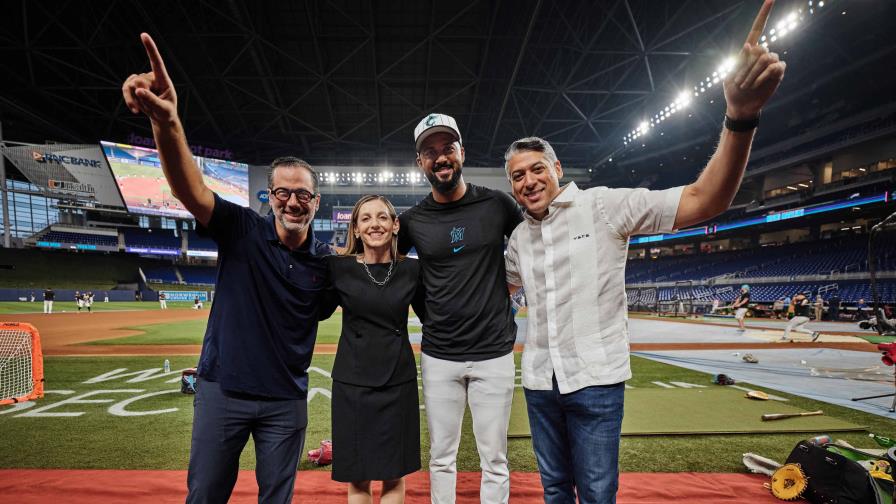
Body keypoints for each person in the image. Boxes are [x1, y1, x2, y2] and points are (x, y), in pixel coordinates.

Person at [503, 2, 784, 500]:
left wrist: (741, 117)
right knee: (553, 490)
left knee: (595, 493)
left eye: (536, 169)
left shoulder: (607, 207)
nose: (528, 181)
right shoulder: (519, 239)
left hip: (595, 382)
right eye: (517, 176)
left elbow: (705, 199)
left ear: (557, 167)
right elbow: (491, 291)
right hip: (540, 382)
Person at [123, 33, 333, 503]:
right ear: (270, 197)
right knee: (205, 496)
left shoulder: (325, 262)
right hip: (223, 391)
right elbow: (188, 189)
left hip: (286, 400)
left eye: (303, 194)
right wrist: (168, 123)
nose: (293, 201)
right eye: (283, 192)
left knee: (275, 500)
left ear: (316, 202)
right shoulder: (240, 228)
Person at [398, 112, 523, 503]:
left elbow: (531, 247)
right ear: (420, 162)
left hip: (494, 353)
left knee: (495, 459)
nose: (440, 158)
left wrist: (510, 286)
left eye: (447, 148)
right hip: (440, 355)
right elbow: (384, 271)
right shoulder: (412, 221)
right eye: (430, 152)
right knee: (441, 458)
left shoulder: (498, 204)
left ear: (461, 152)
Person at [320, 195, 425, 504]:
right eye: (365, 218)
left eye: (382, 217)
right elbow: (316, 310)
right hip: (352, 384)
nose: (374, 224)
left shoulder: (412, 270)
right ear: (356, 227)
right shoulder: (338, 268)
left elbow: (433, 316)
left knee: (394, 474)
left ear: (395, 226)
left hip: (398, 381)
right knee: (359, 477)